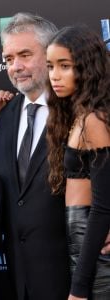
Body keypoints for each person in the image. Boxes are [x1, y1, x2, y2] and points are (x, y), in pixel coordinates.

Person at [0, 12, 71, 300]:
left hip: (74, 277)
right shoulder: (7, 115)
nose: (16, 66)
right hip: (19, 278)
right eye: (9, 59)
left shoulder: (78, 111)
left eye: (24, 54)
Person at [46, 25, 110, 300]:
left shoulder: (94, 120)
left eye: (65, 66)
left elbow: (103, 207)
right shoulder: (77, 115)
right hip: (82, 242)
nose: (54, 76)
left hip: (94, 247)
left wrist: (79, 288)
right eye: (50, 66)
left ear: (86, 68)